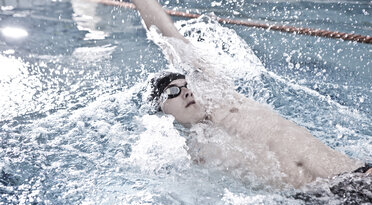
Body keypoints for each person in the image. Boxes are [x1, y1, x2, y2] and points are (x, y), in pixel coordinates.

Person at [131, 0, 371, 188]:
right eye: (172, 91)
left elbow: (169, 38)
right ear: (161, 111)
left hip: (354, 174)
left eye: (186, 84)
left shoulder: (222, 98)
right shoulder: (194, 154)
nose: (185, 91)